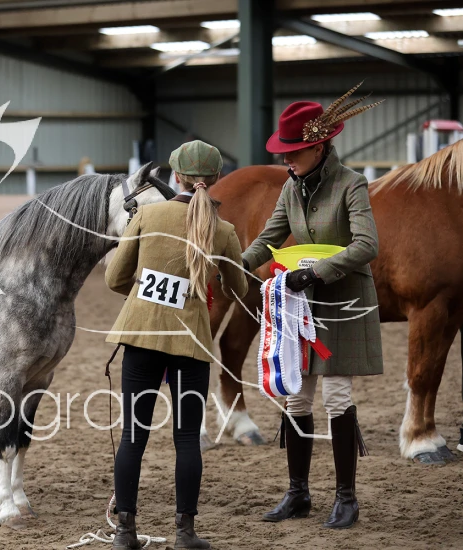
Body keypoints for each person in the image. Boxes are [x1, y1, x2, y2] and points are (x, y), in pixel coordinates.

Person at [240, 86, 384, 530]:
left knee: (336, 396)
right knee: (296, 395)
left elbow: (367, 245)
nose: (287, 159)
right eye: (284, 152)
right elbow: (268, 237)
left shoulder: (352, 184)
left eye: (294, 151)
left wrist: (317, 272)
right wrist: (235, 265)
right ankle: (298, 493)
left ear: (319, 147)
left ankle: (346, 498)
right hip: (301, 302)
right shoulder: (290, 186)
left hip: (343, 301)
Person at [105, 140, 248, 549]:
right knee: (187, 440)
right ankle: (185, 533)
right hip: (191, 343)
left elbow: (114, 279)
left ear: (176, 176)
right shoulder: (223, 230)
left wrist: (148, 295)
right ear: (215, 179)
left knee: (133, 436)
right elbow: (238, 287)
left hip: (143, 335)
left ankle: (125, 532)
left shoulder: (147, 216)